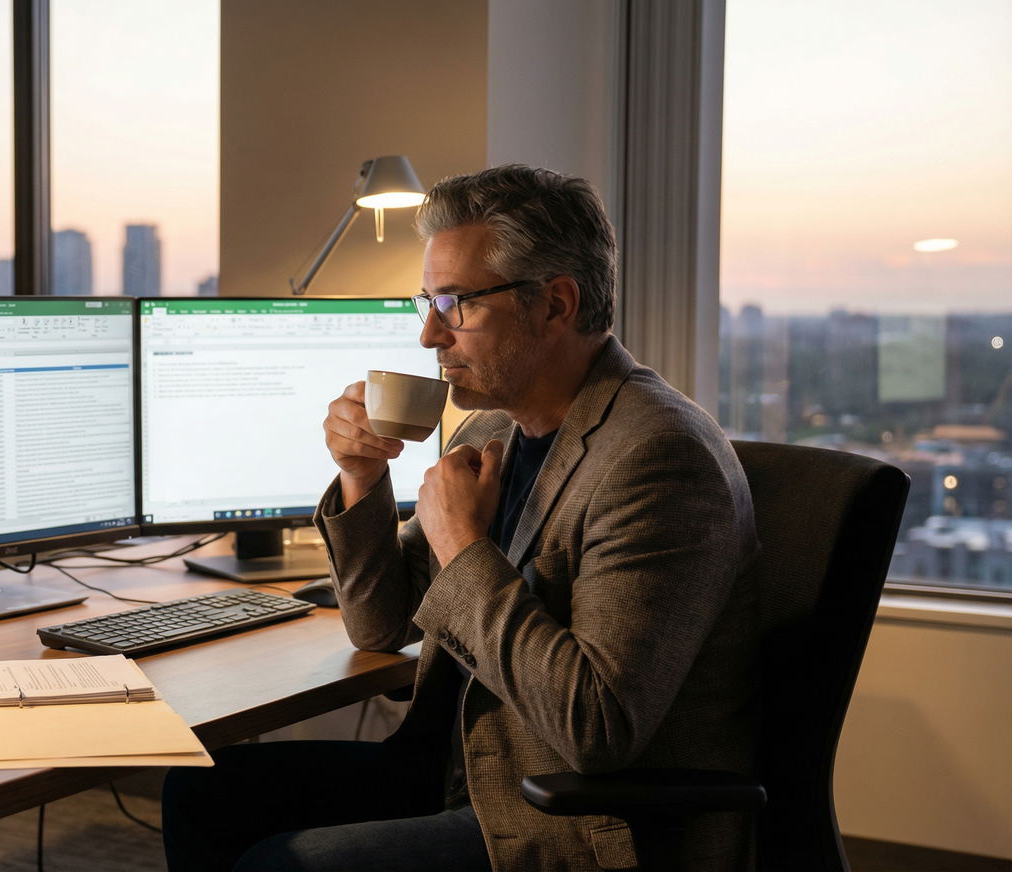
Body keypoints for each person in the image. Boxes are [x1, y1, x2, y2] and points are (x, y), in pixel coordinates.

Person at [161, 165, 759, 872]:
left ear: (556, 303)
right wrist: (362, 476)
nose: (427, 335)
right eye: (427, 300)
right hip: (458, 766)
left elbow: (596, 729)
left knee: (284, 865)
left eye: (455, 303)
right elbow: (380, 625)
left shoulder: (656, 456)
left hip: (571, 816)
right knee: (201, 791)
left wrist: (462, 544)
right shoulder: (492, 433)